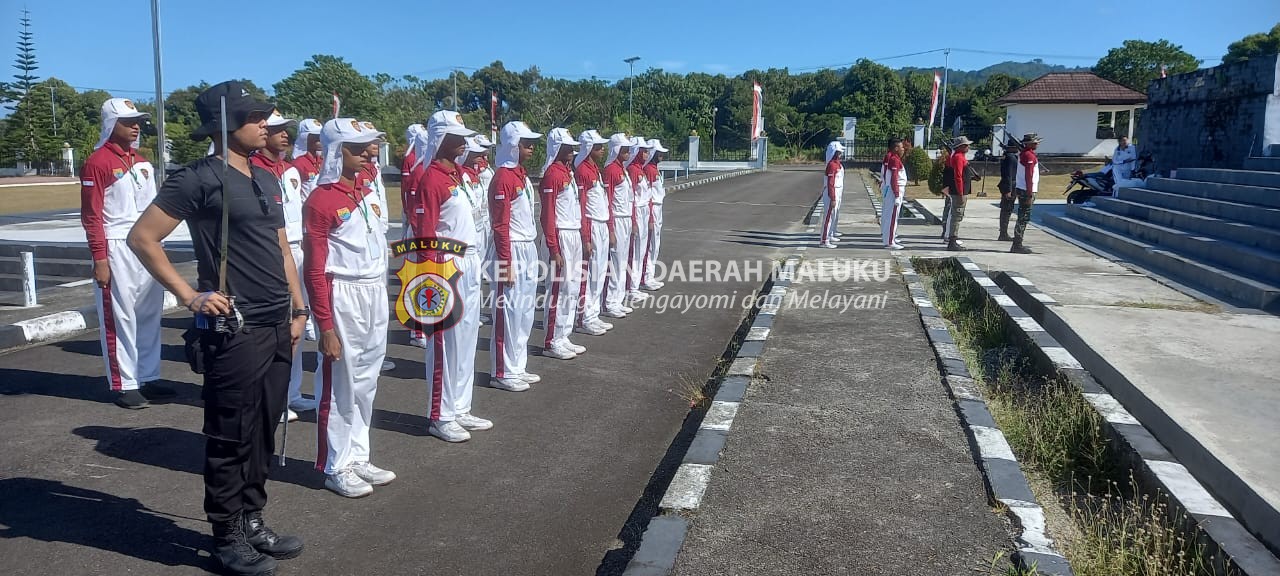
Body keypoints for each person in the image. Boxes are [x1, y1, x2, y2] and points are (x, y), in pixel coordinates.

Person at [127, 81, 305, 576]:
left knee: (265, 429)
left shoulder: (267, 178)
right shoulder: (199, 178)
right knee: (230, 434)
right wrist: (190, 295)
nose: (265, 125)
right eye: (256, 118)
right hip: (236, 330)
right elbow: (142, 238)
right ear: (227, 124)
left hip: (277, 324)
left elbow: (284, 251)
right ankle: (226, 536)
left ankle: (252, 520)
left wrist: (298, 309)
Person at [302, 118, 395, 497]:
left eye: (367, 146)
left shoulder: (365, 189)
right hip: (344, 293)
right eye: (356, 148)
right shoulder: (321, 200)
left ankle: (358, 454)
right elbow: (314, 268)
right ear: (337, 151)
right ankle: (335, 464)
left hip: (373, 290)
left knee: (368, 380)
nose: (367, 153)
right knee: (340, 381)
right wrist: (324, 324)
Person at [81, 97, 173, 409]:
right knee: (120, 316)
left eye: (138, 121)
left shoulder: (142, 161)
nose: (136, 127)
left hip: (146, 244)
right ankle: (125, 382)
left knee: (149, 313)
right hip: (116, 244)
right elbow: (91, 216)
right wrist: (100, 258)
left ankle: (148, 375)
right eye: (128, 121)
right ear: (111, 124)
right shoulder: (98, 162)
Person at [410, 111, 496, 442]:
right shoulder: (430, 179)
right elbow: (424, 233)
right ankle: (440, 414)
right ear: (440, 139)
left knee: (467, 339)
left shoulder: (458, 174)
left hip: (469, 261)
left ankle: (460, 406)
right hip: (446, 265)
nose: (464, 143)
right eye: (457, 137)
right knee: (445, 344)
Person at [250, 111, 317, 422]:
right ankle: (270, 397)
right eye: (277, 130)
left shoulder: (290, 170)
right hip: (271, 253)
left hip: (296, 250)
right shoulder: (253, 170)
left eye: (287, 130)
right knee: (275, 326)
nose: (284, 136)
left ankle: (290, 392)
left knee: (297, 325)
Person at [489, 121, 544, 391]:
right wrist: (505, 263)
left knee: (524, 310)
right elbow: (500, 225)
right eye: (526, 142)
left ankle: (517, 365)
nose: (532, 146)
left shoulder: (521, 175)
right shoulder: (502, 177)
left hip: (527, 246)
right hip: (511, 248)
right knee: (508, 310)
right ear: (513, 145)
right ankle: (503, 371)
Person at [539, 128, 587, 360]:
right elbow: (547, 214)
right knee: (558, 289)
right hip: (561, 235)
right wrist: (553, 247)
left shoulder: (567, 172)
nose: (572, 151)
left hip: (574, 232)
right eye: (567, 147)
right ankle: (552, 340)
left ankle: (564, 334)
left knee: (572, 286)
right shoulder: (552, 174)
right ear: (557, 148)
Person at [573, 129, 615, 336]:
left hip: (602, 223)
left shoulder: (594, 169)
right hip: (592, 225)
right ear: (589, 148)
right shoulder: (582, 170)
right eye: (598, 146)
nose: (602, 149)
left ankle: (593, 313)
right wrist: (586, 237)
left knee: (599, 272)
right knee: (589, 275)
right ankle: (583, 317)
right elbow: (583, 207)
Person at [602, 133, 635, 318]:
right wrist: (611, 227)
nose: (628, 153)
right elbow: (608, 200)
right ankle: (610, 301)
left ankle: (618, 298)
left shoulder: (621, 169)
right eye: (624, 150)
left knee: (622, 261)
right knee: (614, 262)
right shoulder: (610, 170)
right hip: (617, 218)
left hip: (626, 218)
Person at [625, 137, 653, 304]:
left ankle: (634, 286)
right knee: (635, 251)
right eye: (643, 150)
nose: (646, 153)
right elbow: (633, 198)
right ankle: (631, 287)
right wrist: (634, 220)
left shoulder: (639, 169)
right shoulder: (633, 171)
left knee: (641, 250)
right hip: (637, 212)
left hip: (643, 212)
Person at [641, 138, 668, 290]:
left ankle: (649, 275)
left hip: (658, 208)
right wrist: (651, 216)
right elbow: (648, 195)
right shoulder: (649, 170)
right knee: (650, 244)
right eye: (658, 153)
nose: (661, 156)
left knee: (655, 244)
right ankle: (646, 276)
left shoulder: (654, 169)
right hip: (653, 209)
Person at [944, 136, 978, 251]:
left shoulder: (960, 156)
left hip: (961, 190)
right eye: (966, 145)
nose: (968, 147)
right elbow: (958, 176)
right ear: (961, 147)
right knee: (956, 215)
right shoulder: (958, 157)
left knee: (958, 215)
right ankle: (952, 240)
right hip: (959, 192)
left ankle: (953, 238)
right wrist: (960, 192)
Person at [1010, 133, 1042, 254]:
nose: (1037, 144)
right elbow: (1028, 175)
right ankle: (1017, 244)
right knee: (1023, 217)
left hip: (1023, 188)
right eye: (1035, 142)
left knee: (1023, 216)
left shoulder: (1026, 154)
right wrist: (1029, 192)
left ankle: (1017, 242)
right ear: (1029, 143)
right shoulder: (1028, 155)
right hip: (1026, 189)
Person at [880, 139, 906, 250]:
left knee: (889, 216)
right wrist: (896, 194)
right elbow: (894, 178)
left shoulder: (893, 158)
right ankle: (890, 242)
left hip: (891, 189)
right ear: (896, 148)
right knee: (892, 217)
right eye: (901, 147)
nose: (903, 149)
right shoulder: (894, 160)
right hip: (895, 190)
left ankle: (889, 238)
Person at [819, 141, 844, 248]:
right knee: (828, 217)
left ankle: (830, 235)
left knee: (833, 215)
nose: (840, 154)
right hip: (831, 192)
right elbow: (830, 183)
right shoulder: (832, 165)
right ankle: (824, 240)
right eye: (838, 152)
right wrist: (833, 198)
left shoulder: (837, 163)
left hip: (837, 191)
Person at [290, 119, 324, 199]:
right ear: (305, 138)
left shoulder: (322, 161)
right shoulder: (298, 164)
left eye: (321, 137)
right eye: (316, 138)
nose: (321, 141)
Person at [996, 138, 1022, 241]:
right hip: (1009, 186)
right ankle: (1003, 233)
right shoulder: (1010, 158)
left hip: (1011, 185)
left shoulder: (1011, 156)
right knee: (1006, 210)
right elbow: (1008, 175)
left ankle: (1003, 232)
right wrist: (1008, 190)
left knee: (1008, 210)